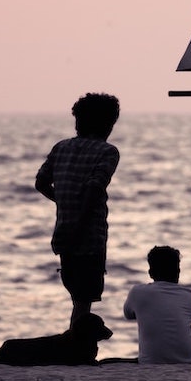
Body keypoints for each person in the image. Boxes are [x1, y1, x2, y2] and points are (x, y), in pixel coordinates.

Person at [36, 93, 121, 328]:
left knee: (77, 297)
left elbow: (41, 183)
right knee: (84, 301)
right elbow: (94, 190)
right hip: (90, 236)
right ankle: (76, 349)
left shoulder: (61, 147)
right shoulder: (107, 152)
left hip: (63, 234)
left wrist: (64, 201)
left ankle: (74, 346)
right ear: (108, 123)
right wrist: (80, 224)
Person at [0, 313, 114, 366]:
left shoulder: (72, 343)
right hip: (9, 354)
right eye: (99, 327)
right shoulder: (75, 350)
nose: (108, 331)